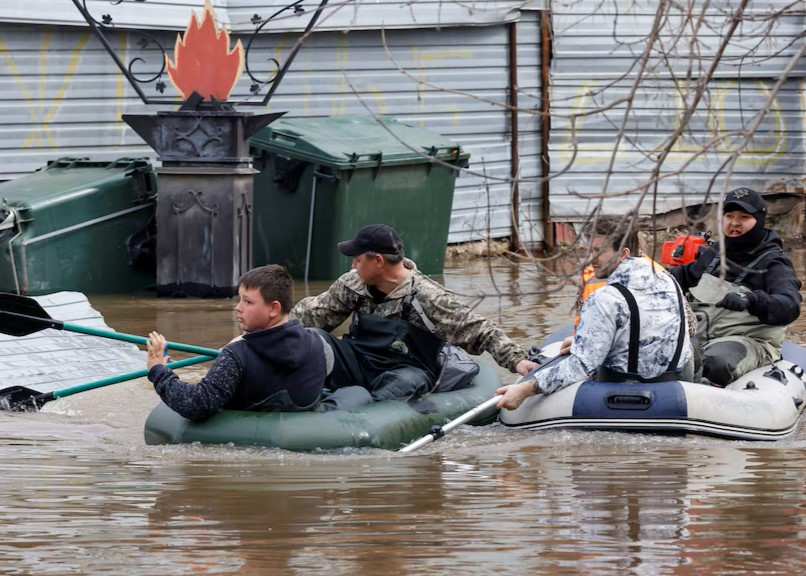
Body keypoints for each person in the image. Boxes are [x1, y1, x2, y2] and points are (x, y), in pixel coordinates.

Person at [290, 224, 537, 401]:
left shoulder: (427, 296)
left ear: (377, 261)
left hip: (406, 369)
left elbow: (477, 328)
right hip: (358, 359)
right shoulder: (352, 285)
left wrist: (517, 360)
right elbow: (313, 315)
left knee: (403, 383)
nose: (353, 265)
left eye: (357, 259)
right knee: (313, 339)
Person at [496, 215, 693, 410]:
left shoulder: (605, 298)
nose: (590, 259)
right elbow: (686, 329)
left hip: (623, 396)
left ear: (623, 254)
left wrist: (524, 389)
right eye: (588, 251)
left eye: (598, 251)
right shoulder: (668, 280)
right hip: (673, 389)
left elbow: (579, 367)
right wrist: (596, 340)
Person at [146, 265, 331, 421]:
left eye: (247, 302)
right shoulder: (319, 343)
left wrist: (158, 371)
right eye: (240, 299)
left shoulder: (236, 355)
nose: (238, 307)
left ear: (274, 308)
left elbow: (196, 404)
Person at [668, 187, 802, 386]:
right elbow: (684, 275)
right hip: (700, 338)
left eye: (744, 217)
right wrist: (651, 276)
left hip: (749, 341)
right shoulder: (716, 253)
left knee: (715, 362)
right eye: (729, 215)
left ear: (759, 221)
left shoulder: (774, 262)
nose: (734, 223)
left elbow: (789, 306)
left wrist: (750, 300)